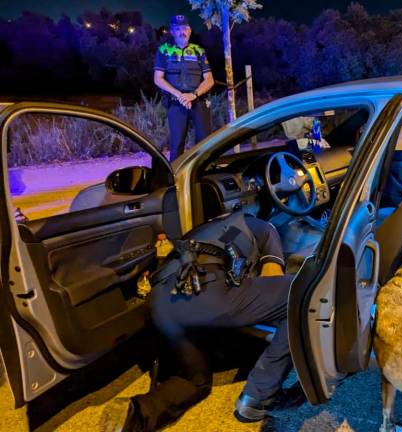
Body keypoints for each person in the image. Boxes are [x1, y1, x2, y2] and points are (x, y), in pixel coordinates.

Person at [102, 211, 301, 431]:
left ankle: (137, 414)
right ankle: (261, 397)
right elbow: (272, 279)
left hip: (160, 304)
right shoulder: (266, 229)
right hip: (203, 288)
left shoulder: (209, 229)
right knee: (302, 293)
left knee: (195, 380)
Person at [153, 15, 214, 161]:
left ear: (190, 30)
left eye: (185, 28)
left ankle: (200, 173)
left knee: (204, 142)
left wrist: (193, 94)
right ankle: (175, 178)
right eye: (178, 28)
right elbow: (158, 79)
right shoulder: (164, 50)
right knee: (177, 144)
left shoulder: (198, 51)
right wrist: (179, 95)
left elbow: (209, 80)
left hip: (198, 101)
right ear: (172, 32)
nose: (182, 31)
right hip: (176, 102)